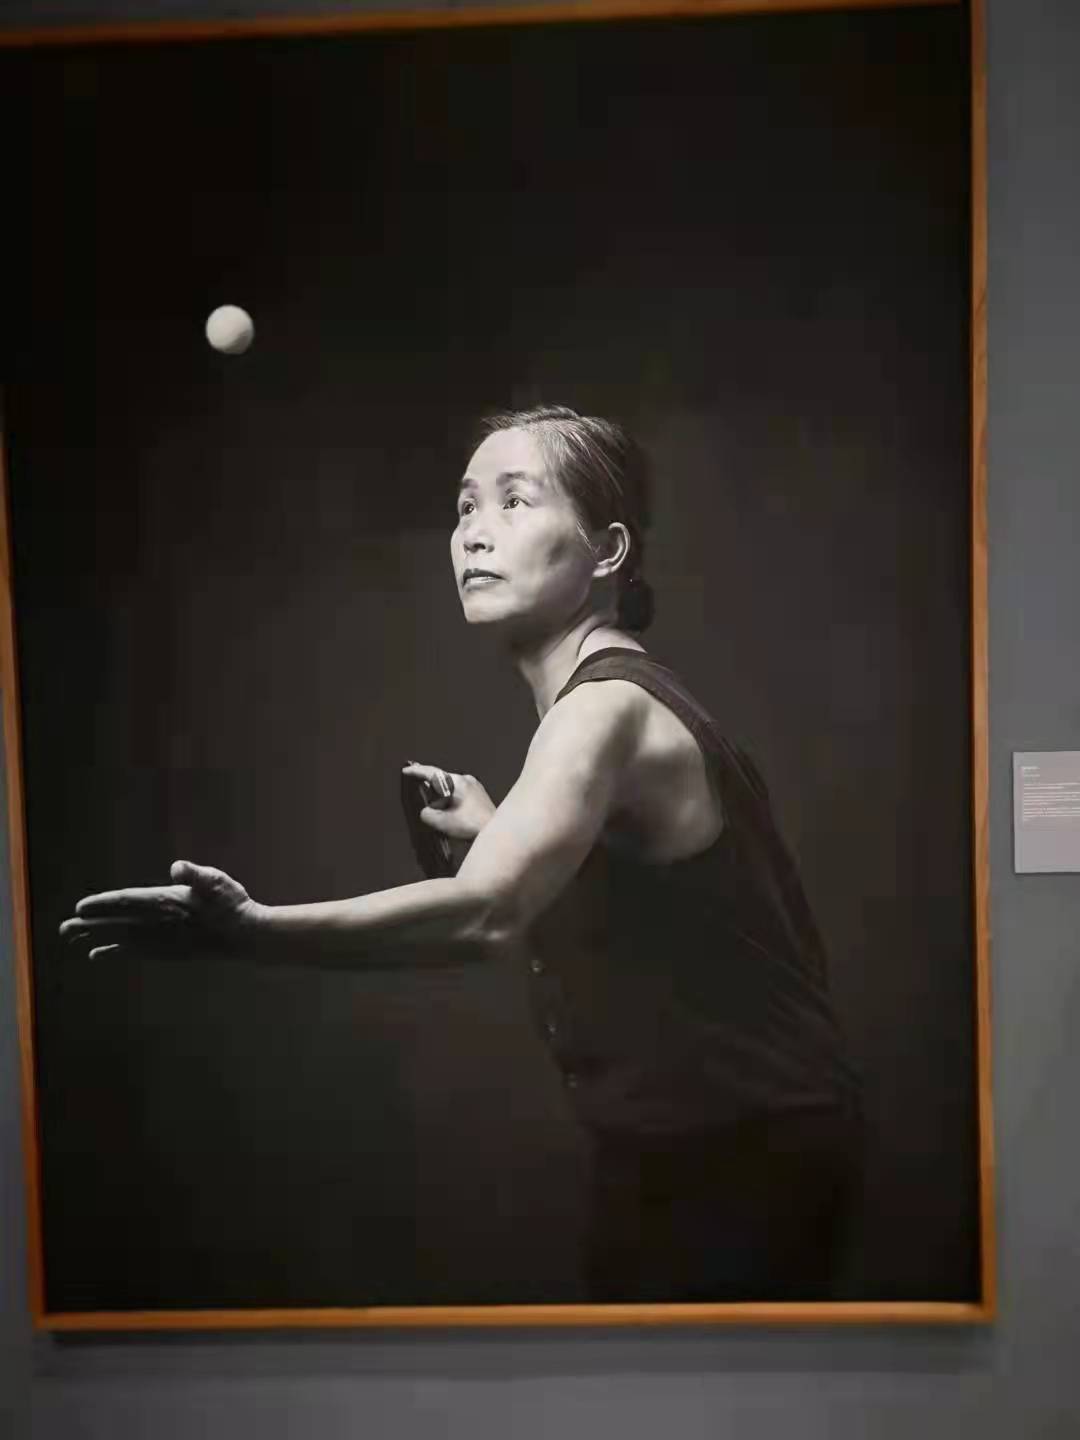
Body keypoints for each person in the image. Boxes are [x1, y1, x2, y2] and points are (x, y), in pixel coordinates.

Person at [61, 404, 861, 1303]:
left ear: (607, 551)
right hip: (693, 1150)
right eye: (466, 506)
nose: (475, 532)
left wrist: (251, 929)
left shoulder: (603, 710)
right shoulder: (599, 709)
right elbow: (649, 915)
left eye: (516, 501)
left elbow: (485, 915)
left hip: (743, 1160)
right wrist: (500, 831)